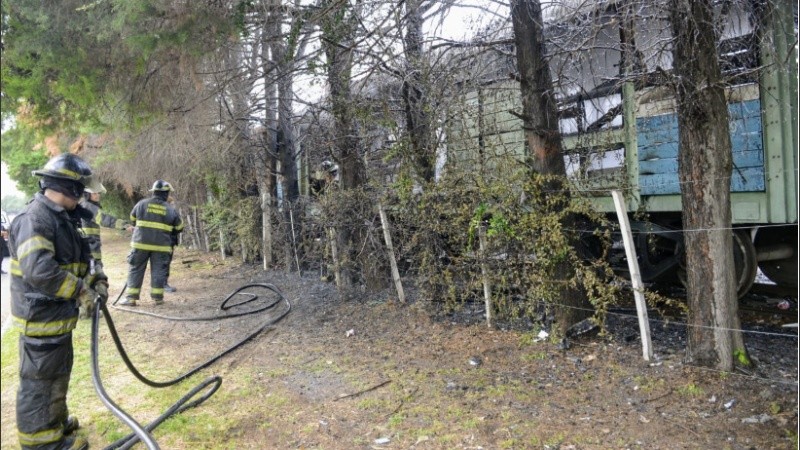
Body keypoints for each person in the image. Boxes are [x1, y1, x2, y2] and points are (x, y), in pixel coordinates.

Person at [8, 153, 108, 450]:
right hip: (40, 319)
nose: (85, 196)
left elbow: (80, 260)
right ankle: (41, 444)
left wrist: (97, 280)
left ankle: (54, 425)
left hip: (57, 318)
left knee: (56, 375)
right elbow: (40, 271)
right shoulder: (35, 219)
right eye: (82, 189)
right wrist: (80, 292)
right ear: (70, 187)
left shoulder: (62, 218)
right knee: (39, 382)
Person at [121, 180, 184, 306]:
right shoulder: (170, 209)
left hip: (140, 244)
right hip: (161, 247)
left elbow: (133, 219)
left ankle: (131, 298)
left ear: (154, 192)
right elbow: (179, 227)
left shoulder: (141, 204)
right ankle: (158, 298)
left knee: (136, 269)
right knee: (159, 270)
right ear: (166, 194)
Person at [77, 181, 132, 317]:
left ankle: (86, 310)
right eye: (94, 193)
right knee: (93, 280)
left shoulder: (82, 206)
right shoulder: (88, 207)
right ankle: (87, 312)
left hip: (88, 250)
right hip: (90, 252)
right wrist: (125, 225)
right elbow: (105, 219)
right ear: (87, 195)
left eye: (98, 193)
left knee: (88, 279)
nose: (98, 196)